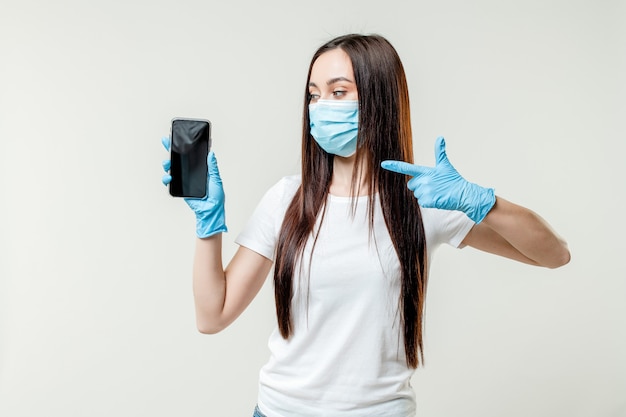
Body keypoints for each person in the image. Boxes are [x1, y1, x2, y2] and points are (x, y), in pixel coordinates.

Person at [161, 33, 570, 417]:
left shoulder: (423, 198)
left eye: (338, 92)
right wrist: (208, 224)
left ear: (379, 100)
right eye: (313, 95)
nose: (320, 106)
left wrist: (483, 202)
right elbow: (212, 316)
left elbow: (554, 254)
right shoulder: (287, 198)